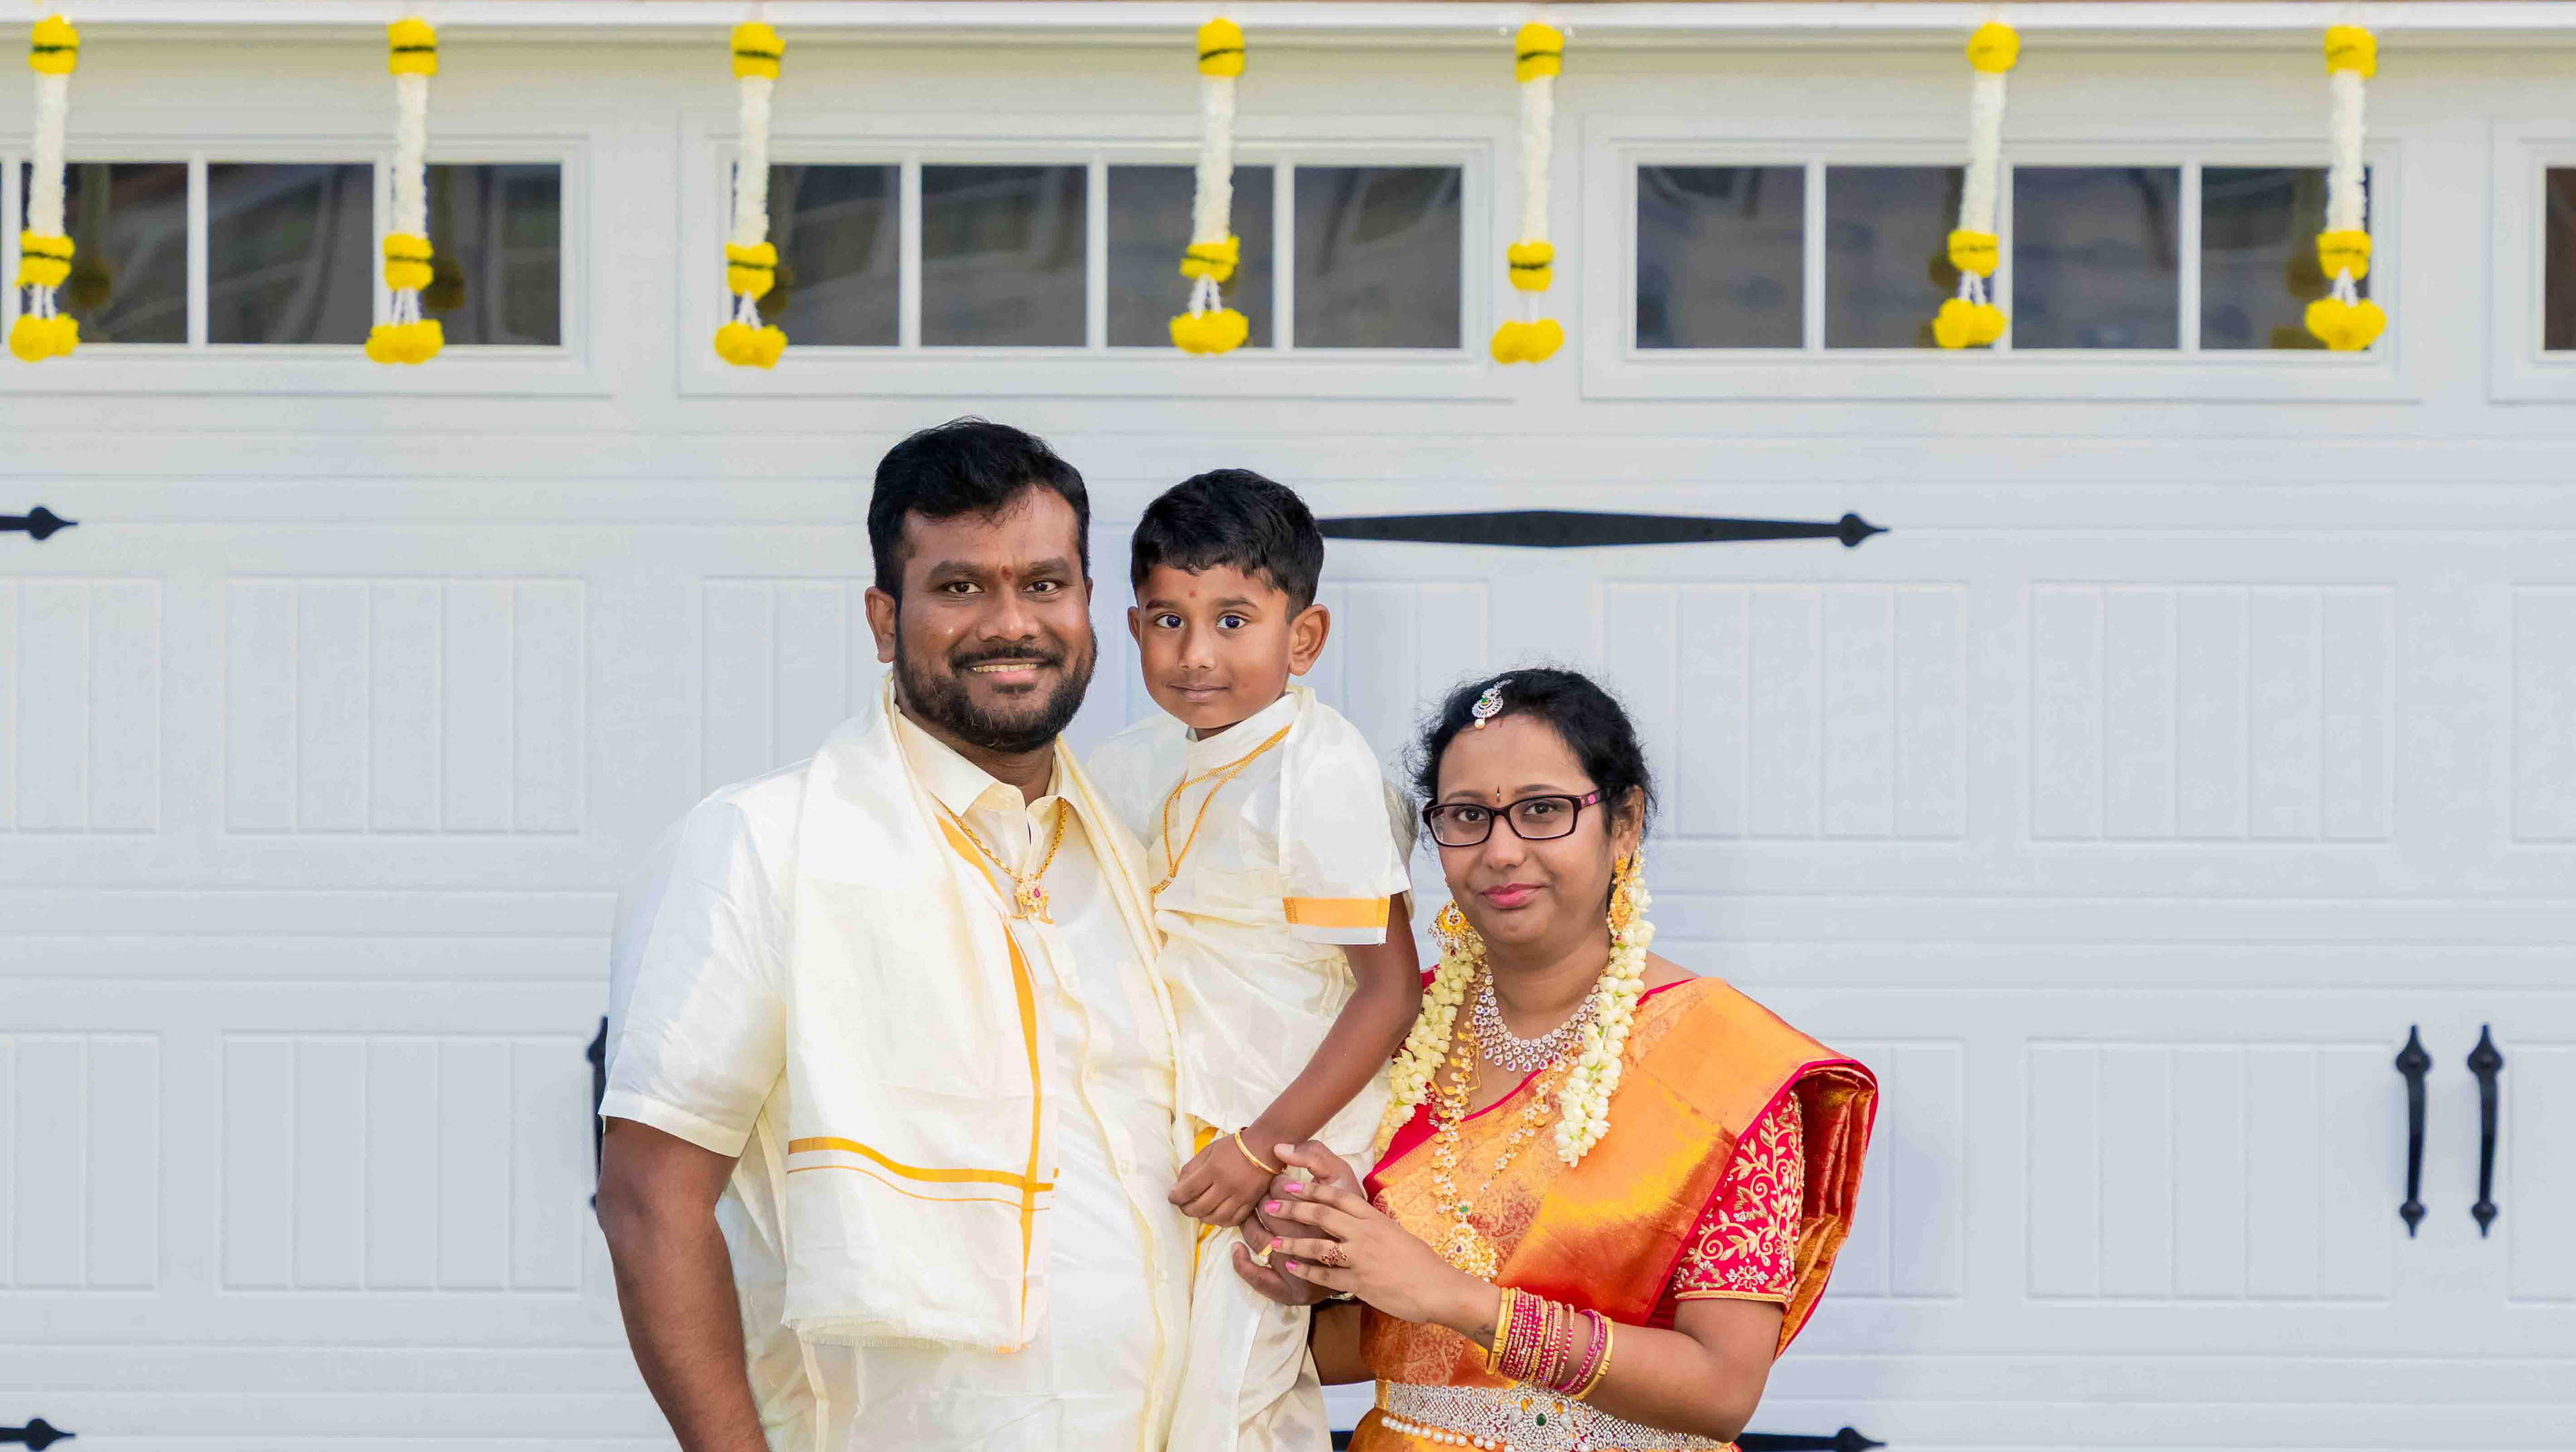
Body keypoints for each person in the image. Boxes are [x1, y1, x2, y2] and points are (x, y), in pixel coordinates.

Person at [594, 418, 1194, 1452]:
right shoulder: (765, 846)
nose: (1012, 622)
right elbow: (650, 1199)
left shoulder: (1148, 858)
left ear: (1090, 607)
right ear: (885, 619)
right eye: (960, 587)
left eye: (1044, 584)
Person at [1235, 667, 1879, 1452]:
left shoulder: (1724, 1065)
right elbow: (1387, 1347)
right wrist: (1318, 1277)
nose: (1501, 851)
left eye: (1542, 810)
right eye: (1468, 816)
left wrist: (1460, 1299)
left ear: (1625, 823)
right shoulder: (1393, 1032)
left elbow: (1721, 1391)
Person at [1085, 470, 1424, 1452]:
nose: (1196, 654)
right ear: (1133, 627)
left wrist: (1262, 1146)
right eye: (1168, 620)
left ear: (1302, 637)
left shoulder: (1319, 771)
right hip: (1181, 1134)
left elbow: (1390, 991)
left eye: (1233, 621)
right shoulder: (1140, 761)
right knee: (1149, 1388)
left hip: (1283, 1142)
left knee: (1234, 1402)